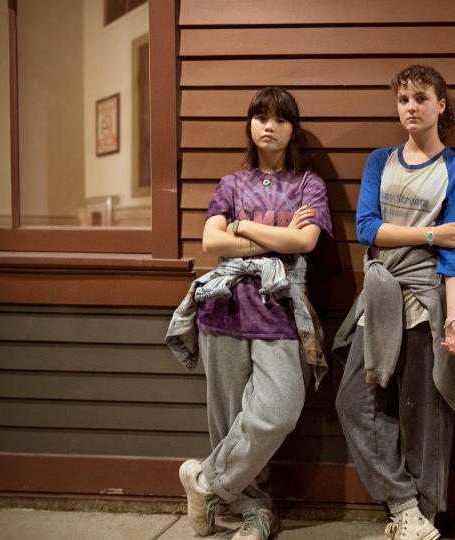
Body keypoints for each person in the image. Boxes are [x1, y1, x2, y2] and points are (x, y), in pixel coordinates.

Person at [164, 87, 333, 540]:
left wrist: (239, 226)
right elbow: (210, 242)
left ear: (292, 128)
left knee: (278, 411)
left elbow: (304, 243)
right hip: (223, 310)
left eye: (279, 118)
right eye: (260, 117)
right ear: (250, 125)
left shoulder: (307, 184)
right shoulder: (231, 183)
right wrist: (273, 235)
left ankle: (204, 483)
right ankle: (254, 511)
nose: (268, 125)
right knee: (228, 419)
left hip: (279, 312)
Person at [333, 64, 455, 540]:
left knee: (423, 414)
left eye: (420, 97)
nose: (410, 107)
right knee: (355, 402)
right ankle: (403, 503)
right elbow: (368, 229)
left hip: (427, 299)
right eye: (403, 99)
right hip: (380, 297)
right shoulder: (380, 160)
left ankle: (422, 520)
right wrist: (431, 232)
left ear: (441, 104)